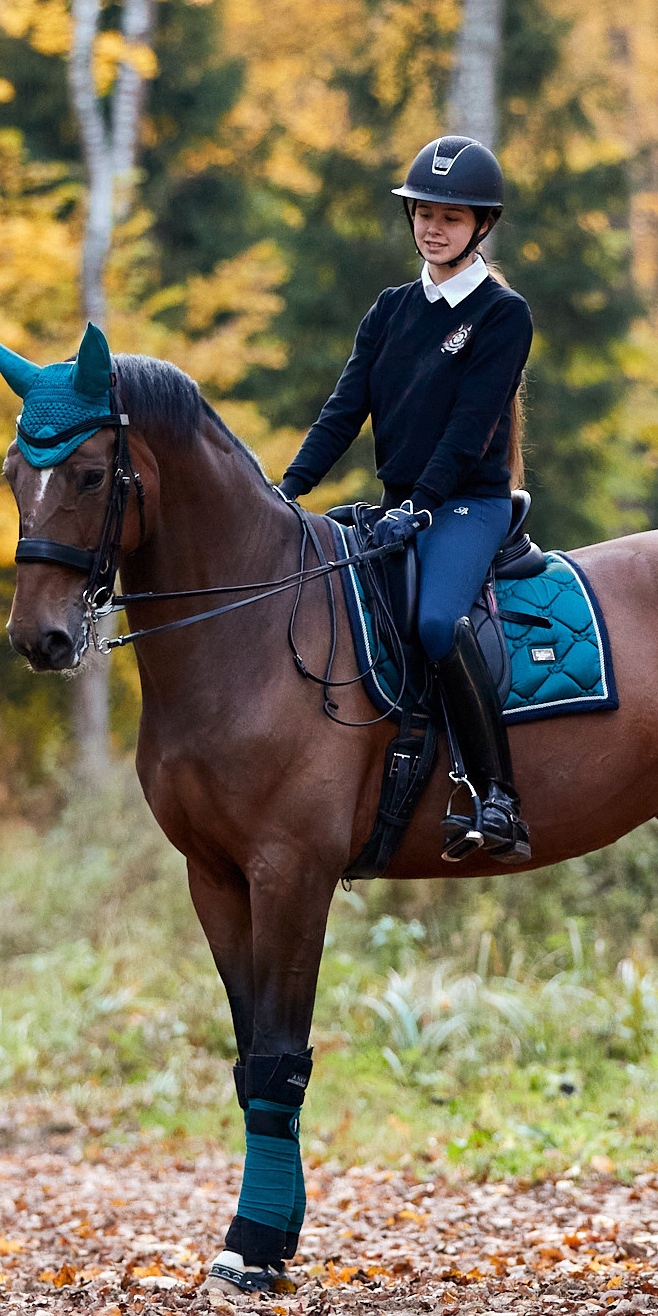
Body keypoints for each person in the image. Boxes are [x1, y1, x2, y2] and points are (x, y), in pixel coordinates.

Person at [277, 134, 533, 865]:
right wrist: (285, 489)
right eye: (424, 212)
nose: (433, 227)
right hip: (400, 504)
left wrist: (421, 504)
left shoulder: (500, 314)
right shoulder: (389, 309)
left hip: (465, 504)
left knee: (436, 621)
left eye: (452, 217)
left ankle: (498, 795)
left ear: (481, 226)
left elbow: (468, 429)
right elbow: (342, 411)